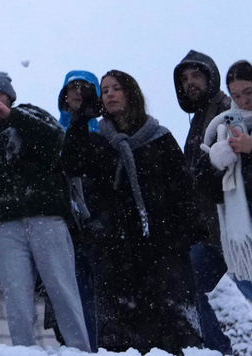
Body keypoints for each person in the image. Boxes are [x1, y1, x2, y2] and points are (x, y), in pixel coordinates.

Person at [0, 72, 90, 350]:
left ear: (9, 96)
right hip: (5, 223)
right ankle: (24, 350)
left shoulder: (30, 114)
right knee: (16, 295)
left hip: (45, 215)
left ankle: (79, 349)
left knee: (61, 287)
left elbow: (57, 142)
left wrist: (11, 116)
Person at [61, 69, 203, 353]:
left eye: (116, 88)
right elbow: (71, 164)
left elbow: (183, 192)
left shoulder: (159, 138)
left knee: (171, 331)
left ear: (131, 93)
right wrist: (81, 119)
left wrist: (183, 236)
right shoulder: (98, 139)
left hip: (160, 248)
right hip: (116, 250)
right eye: (105, 90)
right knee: (120, 337)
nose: (110, 94)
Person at [175, 49, 236, 353]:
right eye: (185, 79)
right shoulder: (198, 119)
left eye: (196, 76)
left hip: (234, 225)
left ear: (210, 76)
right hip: (212, 231)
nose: (190, 83)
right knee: (189, 284)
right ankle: (220, 349)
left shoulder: (227, 110)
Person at [199, 60, 252, 302]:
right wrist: (216, 162)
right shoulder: (222, 127)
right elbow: (205, 187)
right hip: (243, 236)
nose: (244, 101)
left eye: (249, 92)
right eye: (237, 95)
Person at [58, 69, 104, 343]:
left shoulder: (105, 131)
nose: (77, 92)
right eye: (72, 87)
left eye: (84, 87)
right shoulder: (53, 129)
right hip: (64, 223)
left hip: (98, 221)